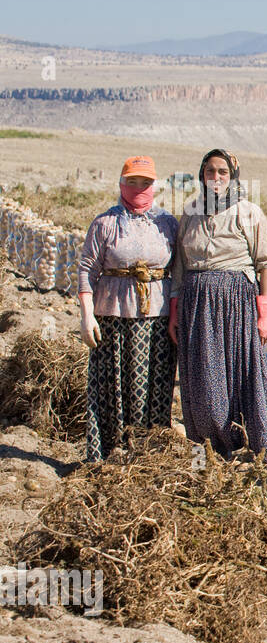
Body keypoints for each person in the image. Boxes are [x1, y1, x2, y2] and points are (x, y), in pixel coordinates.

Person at [170, 149, 267, 459]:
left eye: (223, 172)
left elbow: (266, 264)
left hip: (237, 305)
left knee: (243, 377)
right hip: (197, 309)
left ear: (233, 177)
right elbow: (179, 270)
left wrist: (265, 315)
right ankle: (205, 457)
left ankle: (255, 456)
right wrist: (175, 312)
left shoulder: (249, 213)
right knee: (201, 382)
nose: (215, 178)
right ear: (201, 175)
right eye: (209, 171)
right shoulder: (190, 212)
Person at [77, 155, 179, 461]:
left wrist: (175, 316)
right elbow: (86, 270)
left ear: (155, 186)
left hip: (157, 323)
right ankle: (108, 455)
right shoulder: (105, 224)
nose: (138, 188)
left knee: (154, 388)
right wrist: (85, 316)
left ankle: (148, 456)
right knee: (111, 387)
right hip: (112, 319)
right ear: (121, 184)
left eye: (145, 182)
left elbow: (177, 275)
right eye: (131, 182)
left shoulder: (168, 224)